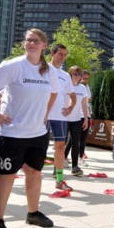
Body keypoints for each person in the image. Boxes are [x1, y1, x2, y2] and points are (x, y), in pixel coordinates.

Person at [0, 28, 58, 228]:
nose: (31, 44)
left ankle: (33, 212)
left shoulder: (50, 71)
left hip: (37, 133)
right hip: (11, 132)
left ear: (44, 46)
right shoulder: (13, 66)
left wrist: (46, 114)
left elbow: (54, 93)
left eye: (36, 41)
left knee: (34, 173)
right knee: (7, 176)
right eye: (28, 40)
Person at [47, 44, 76, 188]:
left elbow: (72, 95)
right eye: (60, 54)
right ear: (52, 53)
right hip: (43, 115)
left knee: (60, 147)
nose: (63, 57)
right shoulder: (43, 69)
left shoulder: (65, 76)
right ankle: (29, 176)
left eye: (65, 55)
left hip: (60, 116)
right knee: (36, 146)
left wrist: (70, 107)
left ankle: (59, 180)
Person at [63, 66, 89, 176]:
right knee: (61, 144)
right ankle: (58, 166)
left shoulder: (82, 88)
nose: (78, 76)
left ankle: (75, 167)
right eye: (75, 74)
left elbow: (84, 104)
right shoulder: (65, 86)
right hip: (64, 119)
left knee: (76, 143)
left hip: (77, 119)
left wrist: (86, 119)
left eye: (79, 74)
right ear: (70, 75)